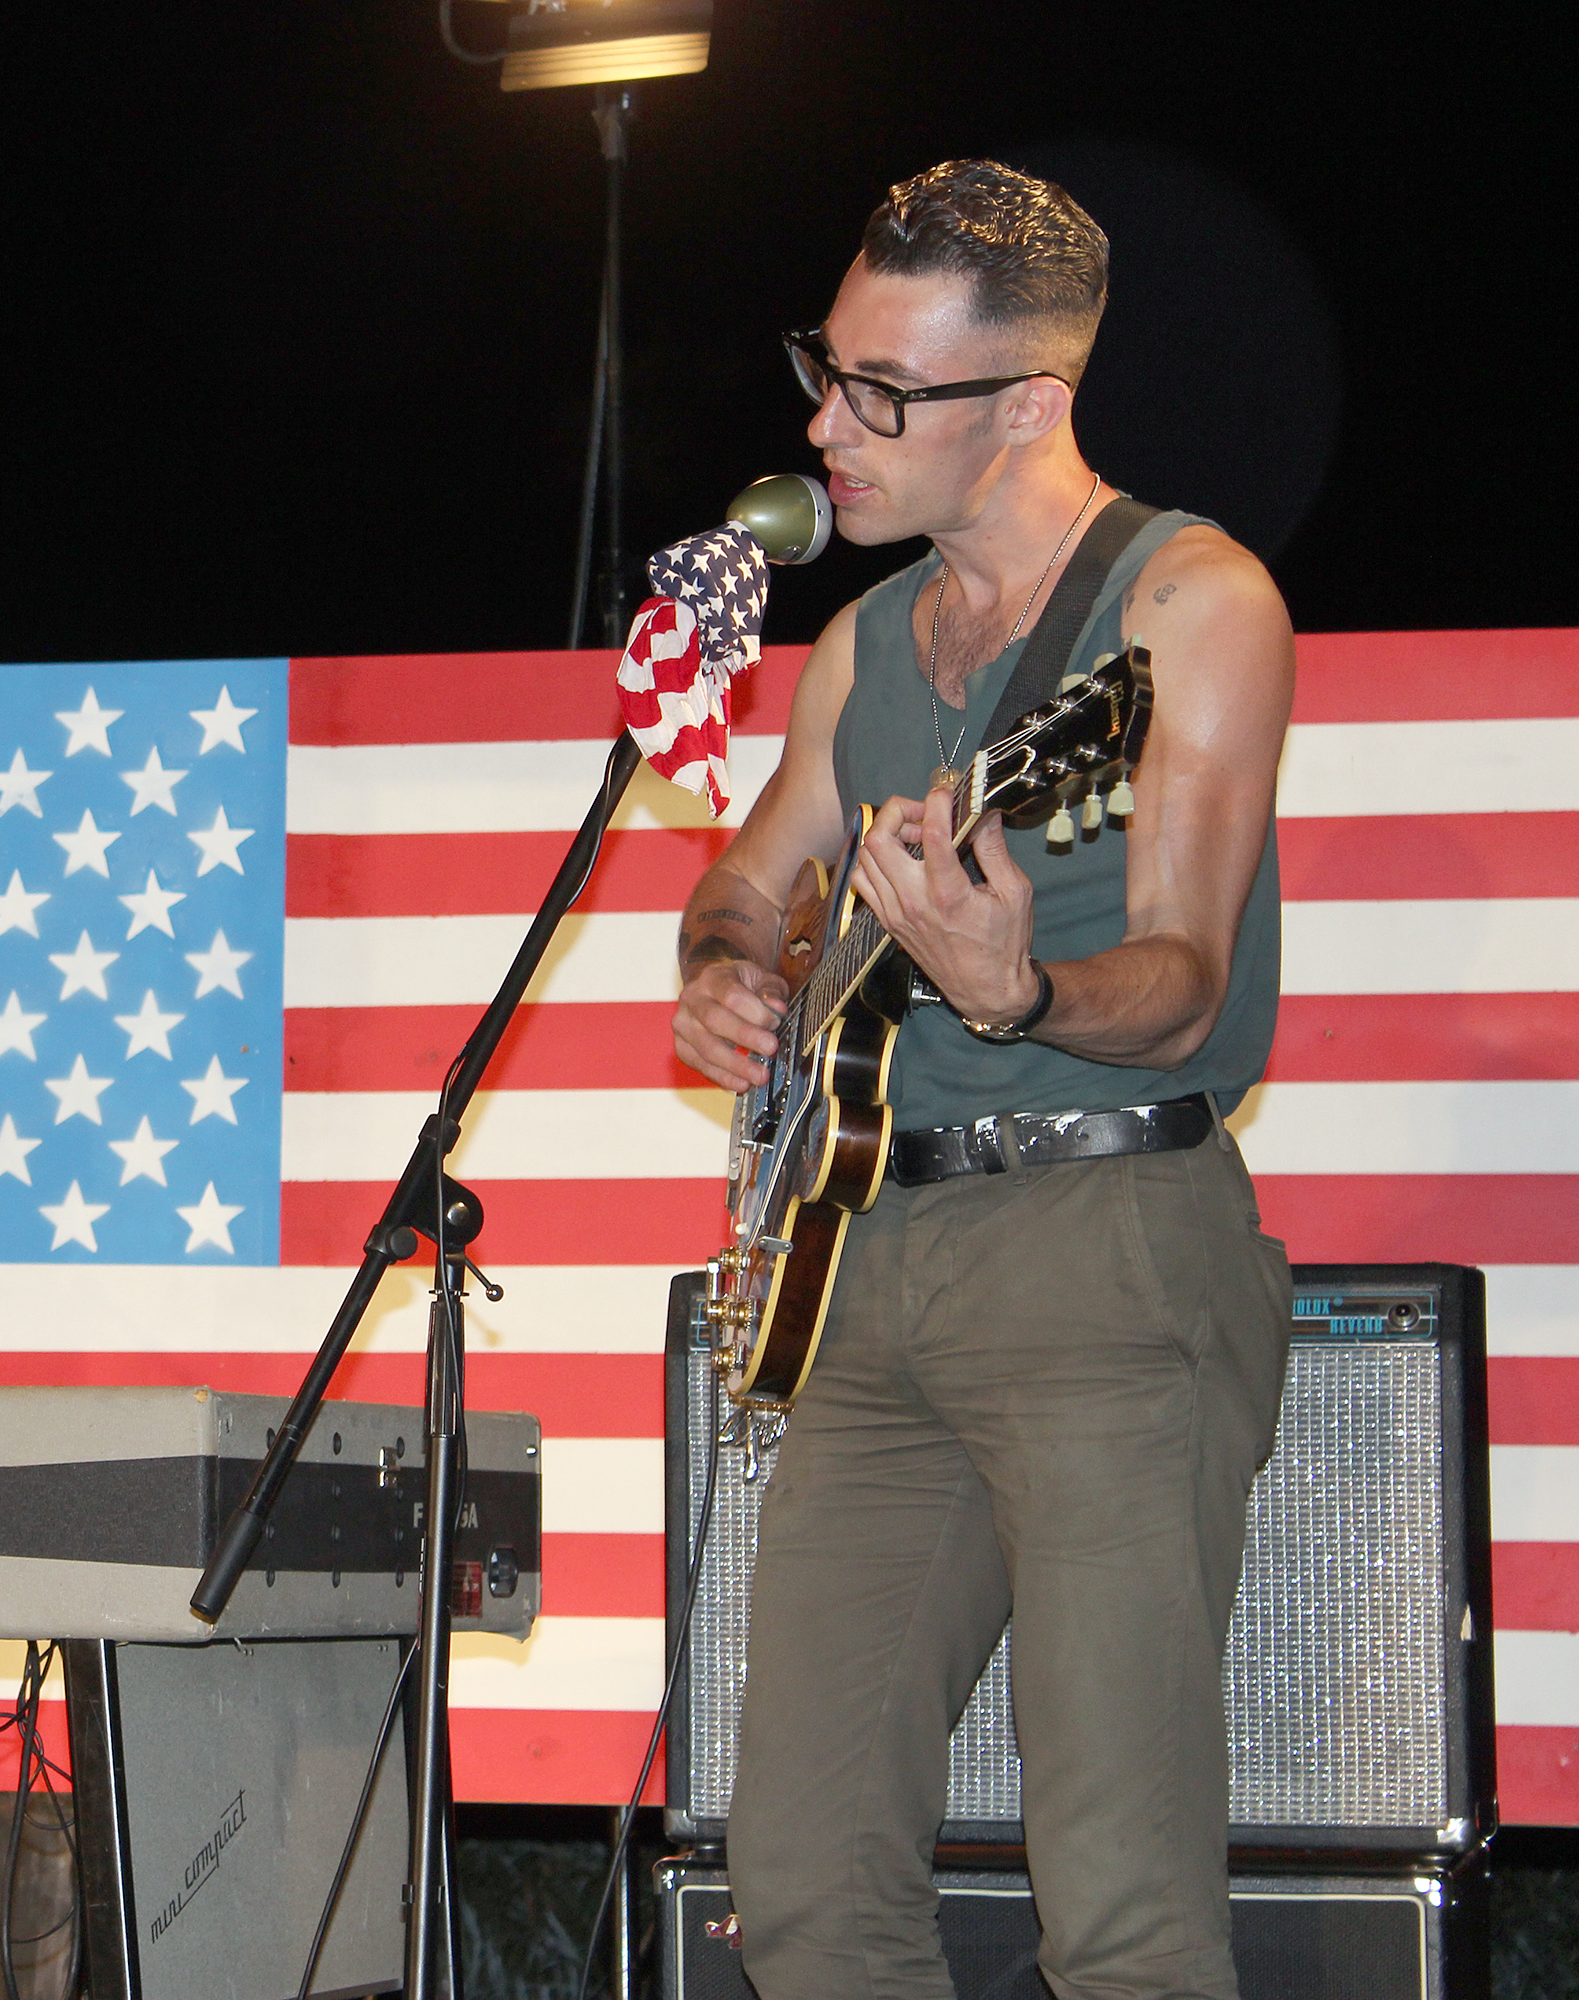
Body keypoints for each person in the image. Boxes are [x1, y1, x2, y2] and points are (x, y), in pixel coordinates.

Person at [668, 162, 1295, 2000]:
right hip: (869, 1274)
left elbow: (1180, 987)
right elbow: (748, 872)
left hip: (1107, 1247)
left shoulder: (1192, 599)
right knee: (798, 1878)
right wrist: (724, 969)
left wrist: (1015, 985)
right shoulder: (861, 639)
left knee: (1115, 1895)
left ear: (1028, 403)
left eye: (882, 391)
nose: (822, 427)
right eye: (828, 367)